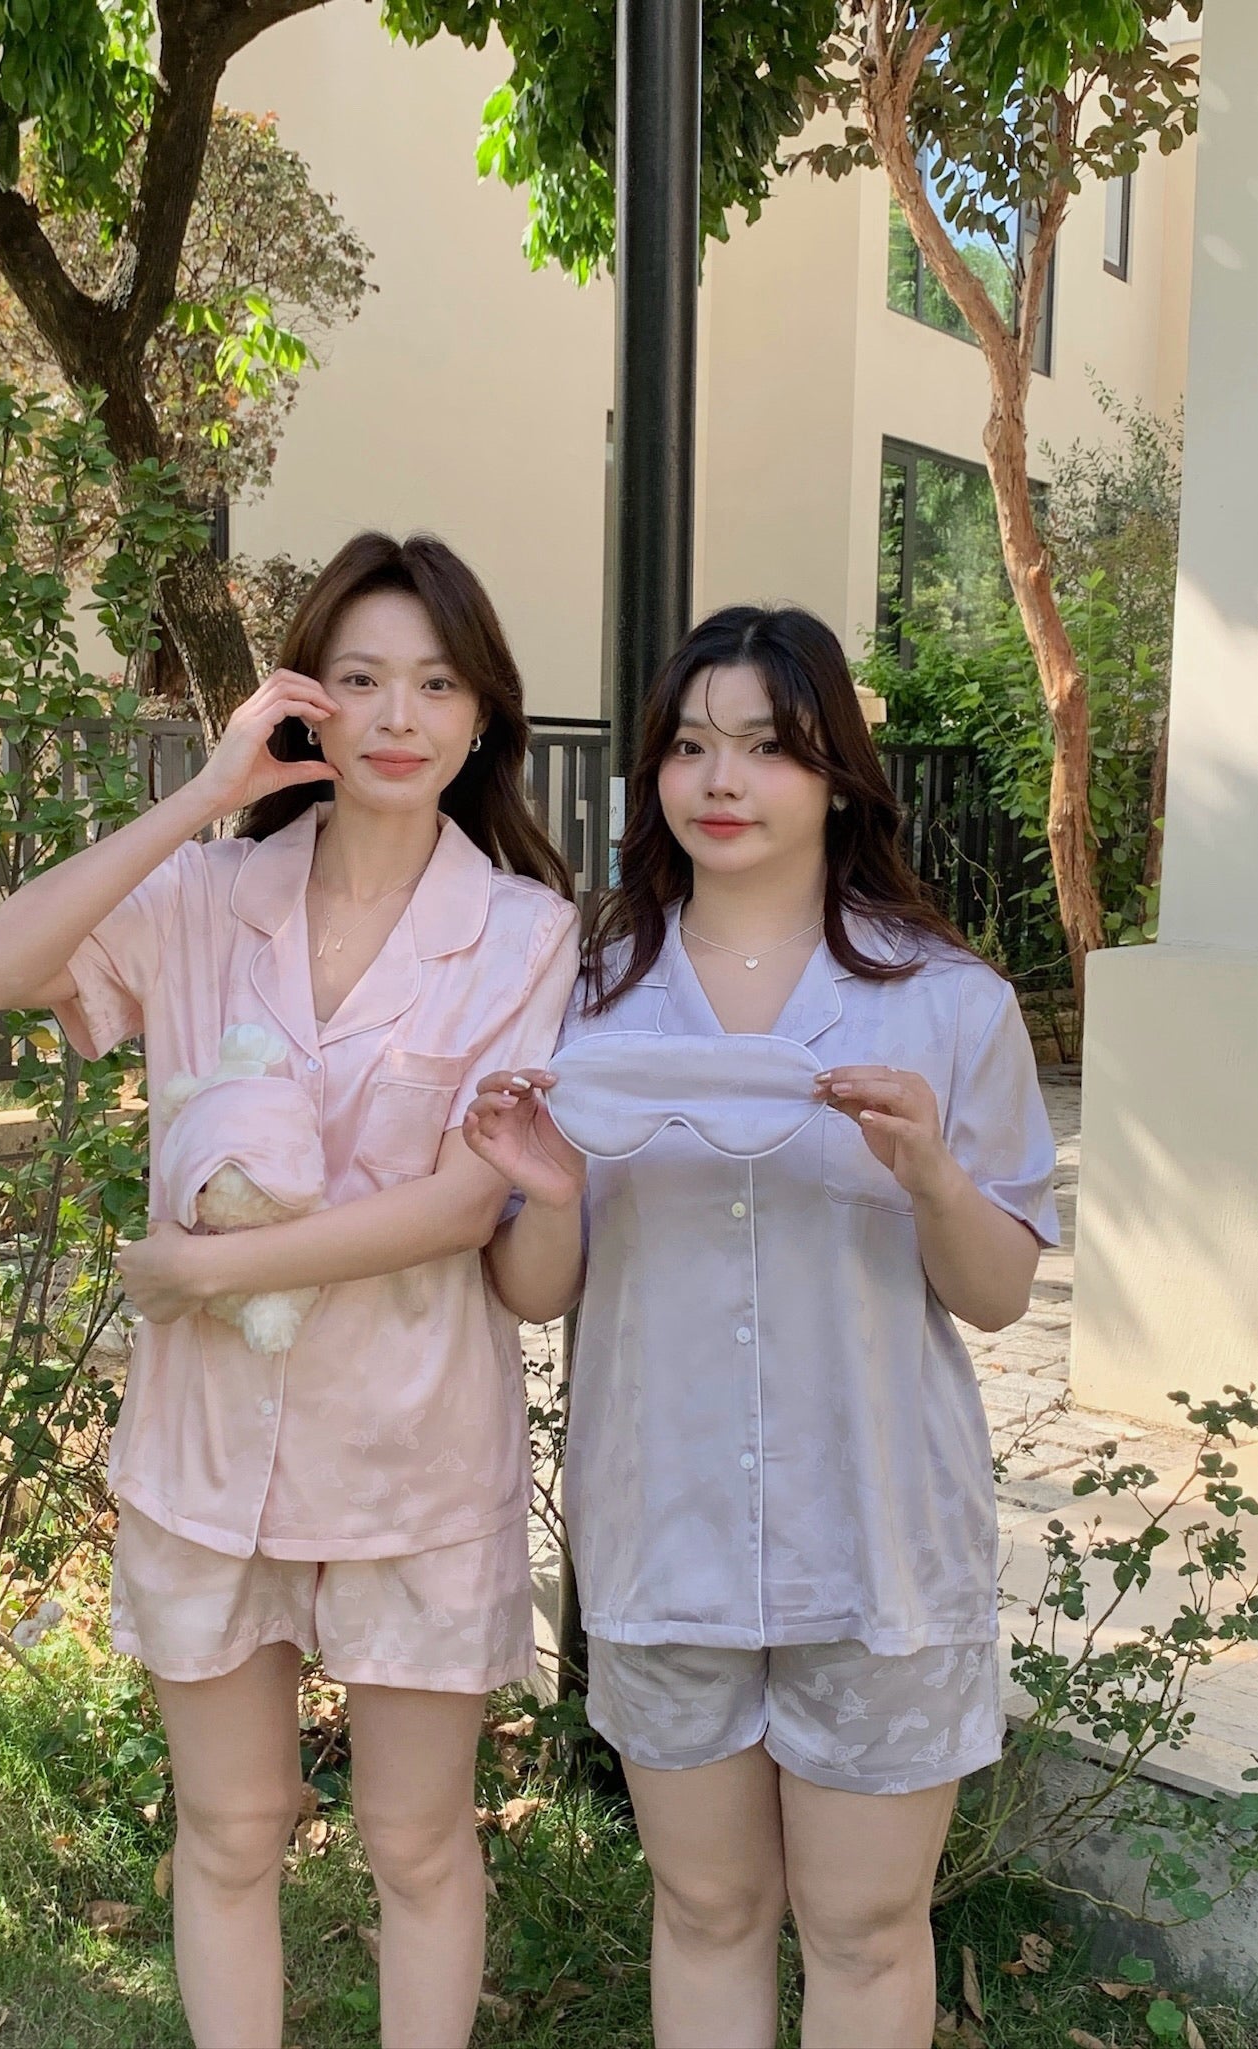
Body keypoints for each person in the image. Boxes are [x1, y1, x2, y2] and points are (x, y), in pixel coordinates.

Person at [0, 533, 580, 2049]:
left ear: (483, 714)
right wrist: (203, 795)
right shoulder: (204, 893)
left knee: (416, 1843)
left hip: (413, 1455)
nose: (398, 716)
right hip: (211, 1453)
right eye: (359, 679)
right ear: (304, 703)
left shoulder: (523, 931)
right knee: (229, 1831)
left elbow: (461, 1205)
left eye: (436, 683)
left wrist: (205, 1267)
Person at [462, 605, 1058, 2049]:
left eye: (766, 747)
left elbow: (994, 1292)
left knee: (864, 1928)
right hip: (661, 1531)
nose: (720, 779)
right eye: (689, 745)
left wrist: (929, 1174)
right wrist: (547, 1189)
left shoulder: (944, 1004)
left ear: (837, 776)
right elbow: (537, 1288)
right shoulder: (584, 997)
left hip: (877, 1541)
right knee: (707, 1910)